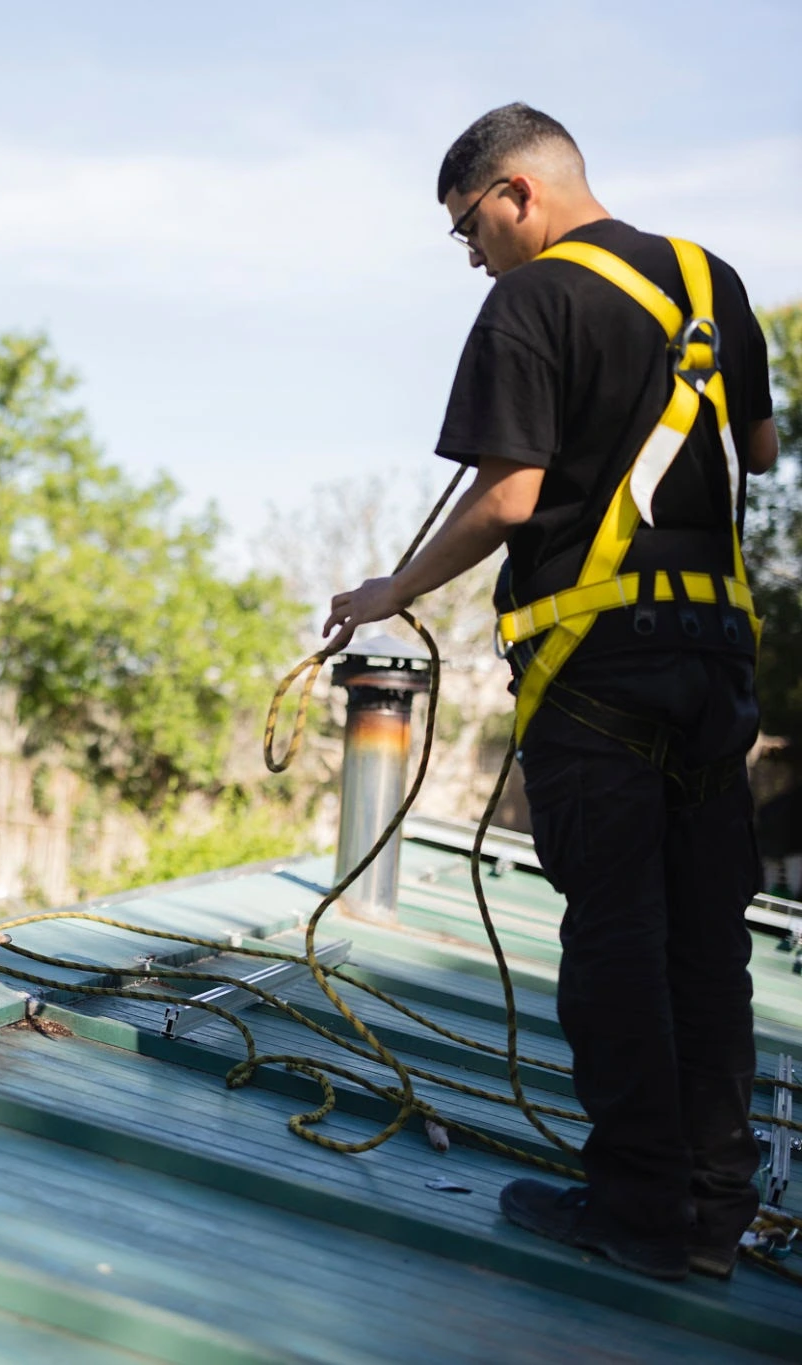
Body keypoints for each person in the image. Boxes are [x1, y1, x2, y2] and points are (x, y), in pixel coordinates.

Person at [324, 105, 779, 1282]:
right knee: (704, 937)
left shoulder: (527, 302)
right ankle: (713, 1215)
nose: (469, 253)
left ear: (517, 192)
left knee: (616, 931)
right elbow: (762, 450)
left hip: (596, 666)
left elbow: (510, 495)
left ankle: (632, 1210)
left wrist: (393, 588)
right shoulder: (708, 280)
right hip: (716, 659)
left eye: (467, 225)